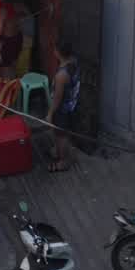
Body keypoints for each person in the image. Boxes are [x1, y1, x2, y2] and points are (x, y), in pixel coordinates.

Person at [47, 37, 80, 172]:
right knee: (63, 132)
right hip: (72, 103)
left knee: (61, 135)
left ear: (57, 52)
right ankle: (60, 152)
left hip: (62, 109)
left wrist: (50, 113)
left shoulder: (61, 76)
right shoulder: (74, 61)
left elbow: (58, 98)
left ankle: (64, 161)